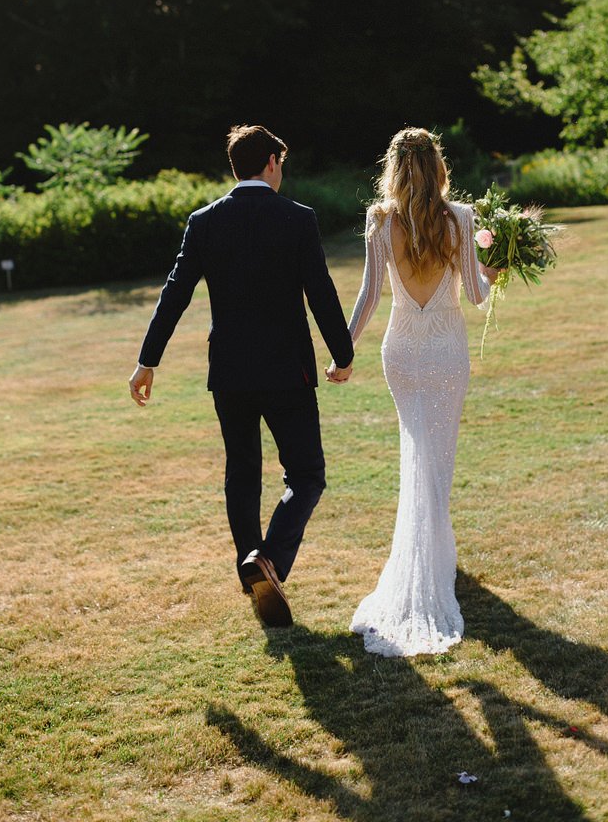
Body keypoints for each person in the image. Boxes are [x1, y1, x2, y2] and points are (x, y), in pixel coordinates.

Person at [128, 124, 354, 628]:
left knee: (242, 473)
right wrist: (342, 352)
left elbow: (175, 292)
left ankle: (253, 564)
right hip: (287, 371)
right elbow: (320, 290)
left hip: (229, 372)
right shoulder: (298, 218)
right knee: (308, 474)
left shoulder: (204, 221)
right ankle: (267, 562)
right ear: (272, 161)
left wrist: (148, 361)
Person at [330, 127, 500, 656]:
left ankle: (432, 556)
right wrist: (497, 267)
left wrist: (344, 351)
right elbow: (475, 295)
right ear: (438, 166)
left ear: (395, 169)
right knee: (437, 454)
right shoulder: (463, 218)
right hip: (447, 349)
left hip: (401, 352)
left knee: (416, 451)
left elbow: (368, 295)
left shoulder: (379, 220)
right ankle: (433, 561)